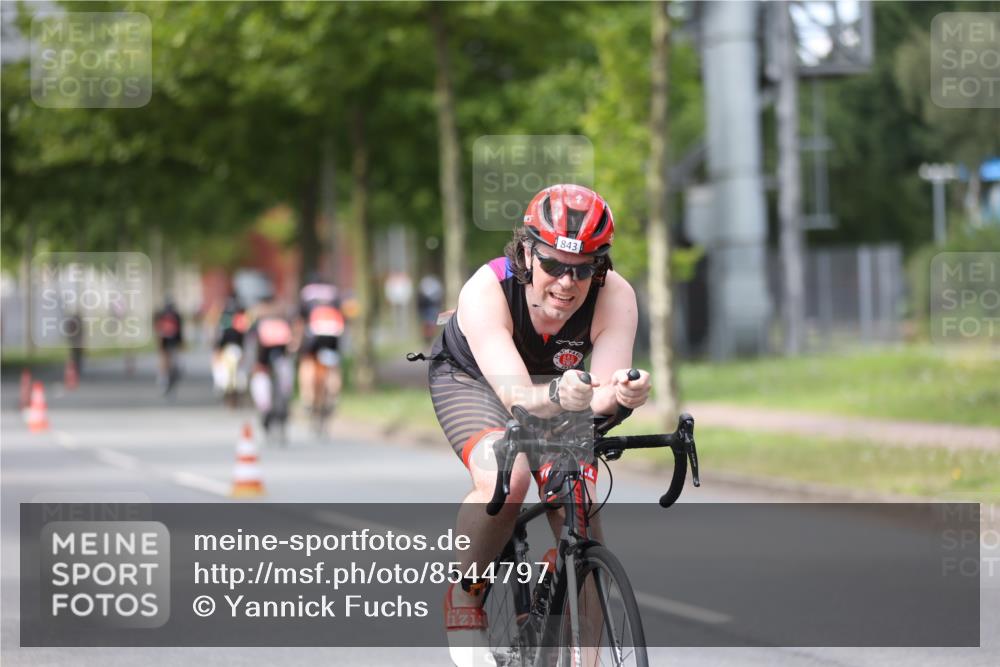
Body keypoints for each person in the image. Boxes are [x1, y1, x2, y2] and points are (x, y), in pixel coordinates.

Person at [427, 184, 651, 665]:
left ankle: (579, 634)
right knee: (508, 477)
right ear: (528, 253)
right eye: (553, 265)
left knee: (581, 507)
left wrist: (624, 392)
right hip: (479, 381)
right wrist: (559, 395)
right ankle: (466, 594)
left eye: (583, 269)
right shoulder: (486, 290)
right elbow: (518, 398)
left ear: (600, 266)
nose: (567, 283)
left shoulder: (616, 296)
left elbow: (604, 389)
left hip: (558, 386)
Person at [294, 273, 345, 417]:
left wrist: (296, 342)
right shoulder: (334, 292)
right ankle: (333, 398)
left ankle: (307, 400)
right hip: (333, 334)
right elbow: (343, 315)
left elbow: (300, 320)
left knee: (307, 362)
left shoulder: (306, 292)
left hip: (315, 334)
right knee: (333, 367)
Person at [153, 296, 184, 394]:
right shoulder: (175, 314)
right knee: (168, 360)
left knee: (165, 360)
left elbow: (158, 329)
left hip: (166, 341)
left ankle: (163, 377)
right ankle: (164, 377)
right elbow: (179, 331)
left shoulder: (162, 314)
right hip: (171, 341)